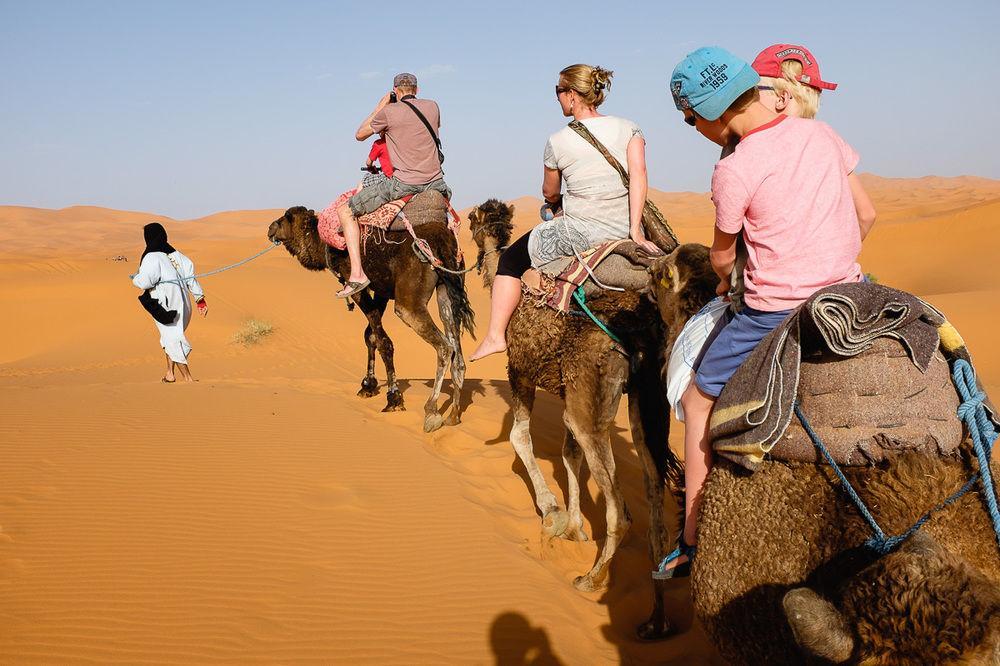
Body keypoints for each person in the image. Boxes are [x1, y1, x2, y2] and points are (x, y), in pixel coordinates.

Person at [656, 47, 870, 577]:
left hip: (772, 312)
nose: (695, 129)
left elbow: (723, 254)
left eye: (690, 120)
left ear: (710, 116)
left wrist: (727, 279)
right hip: (848, 294)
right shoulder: (824, 136)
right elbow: (864, 214)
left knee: (696, 397)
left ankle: (690, 539)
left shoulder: (735, 168)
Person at [469, 64, 661, 361]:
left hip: (580, 231)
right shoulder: (630, 127)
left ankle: (495, 336)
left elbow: (550, 192)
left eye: (558, 92)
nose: (557, 98)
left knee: (509, 261)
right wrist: (634, 229)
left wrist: (553, 204)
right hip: (623, 227)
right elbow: (639, 173)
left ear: (572, 95)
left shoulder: (558, 141)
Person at [335, 72, 451, 298]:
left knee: (345, 211)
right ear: (417, 90)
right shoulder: (433, 106)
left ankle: (357, 274)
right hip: (437, 183)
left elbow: (360, 135)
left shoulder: (389, 112)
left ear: (395, 91)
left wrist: (380, 106)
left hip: (403, 184)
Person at [131, 222, 207, 383]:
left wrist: (135, 278)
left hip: (167, 305)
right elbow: (191, 278)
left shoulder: (152, 257)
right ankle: (169, 374)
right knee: (169, 336)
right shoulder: (177, 255)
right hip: (184, 304)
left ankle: (188, 378)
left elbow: (145, 282)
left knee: (173, 339)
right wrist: (200, 299)